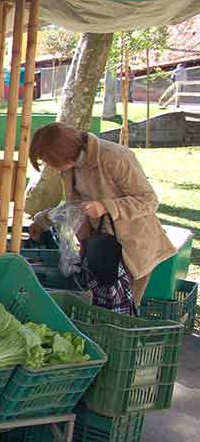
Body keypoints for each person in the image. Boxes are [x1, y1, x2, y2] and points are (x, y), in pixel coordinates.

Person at [28, 122, 175, 311]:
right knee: (98, 308)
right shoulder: (69, 169)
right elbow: (75, 207)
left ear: (63, 154)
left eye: (48, 160)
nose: (48, 165)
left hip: (132, 249)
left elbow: (149, 200)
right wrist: (42, 221)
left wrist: (106, 206)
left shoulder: (115, 157)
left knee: (122, 315)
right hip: (100, 248)